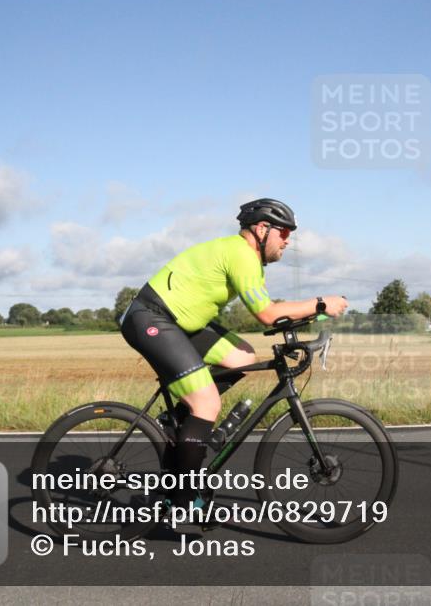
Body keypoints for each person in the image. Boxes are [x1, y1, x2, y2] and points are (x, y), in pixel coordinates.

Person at [119, 198, 348, 508]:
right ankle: (182, 501)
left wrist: (313, 316)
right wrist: (320, 303)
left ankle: (181, 422)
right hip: (150, 318)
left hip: (179, 323)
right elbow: (267, 314)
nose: (287, 241)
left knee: (241, 356)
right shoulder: (241, 255)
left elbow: (275, 313)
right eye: (284, 233)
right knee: (207, 403)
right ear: (262, 229)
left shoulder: (247, 258)